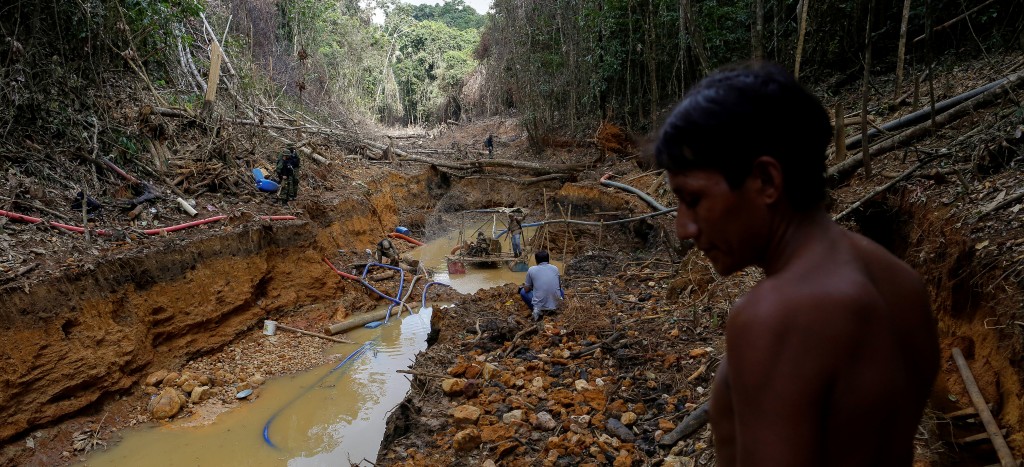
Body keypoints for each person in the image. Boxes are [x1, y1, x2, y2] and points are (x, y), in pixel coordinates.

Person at [655, 62, 939, 466]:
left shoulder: (778, 315)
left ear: (766, 181)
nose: (684, 228)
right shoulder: (901, 284)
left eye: (694, 199)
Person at [518, 250, 563, 322]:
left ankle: (537, 309)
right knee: (561, 290)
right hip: (556, 305)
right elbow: (559, 286)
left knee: (523, 292)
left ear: (536, 261)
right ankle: (556, 305)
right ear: (548, 259)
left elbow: (526, 289)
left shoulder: (531, 269)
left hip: (540, 306)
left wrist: (532, 286)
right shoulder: (555, 268)